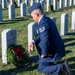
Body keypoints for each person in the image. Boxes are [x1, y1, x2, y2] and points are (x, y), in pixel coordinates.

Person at [28, 2, 72, 75]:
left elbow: (45, 39)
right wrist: (33, 41)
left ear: (37, 14)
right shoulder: (46, 19)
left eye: (32, 16)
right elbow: (41, 35)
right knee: (48, 67)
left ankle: (62, 67)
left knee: (41, 68)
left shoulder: (42, 24)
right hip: (56, 46)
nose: (33, 19)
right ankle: (58, 70)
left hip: (52, 50)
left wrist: (44, 54)